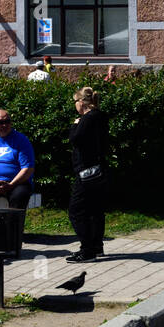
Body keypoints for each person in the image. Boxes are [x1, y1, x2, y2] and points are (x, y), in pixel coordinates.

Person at [66, 86, 109, 263]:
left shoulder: (86, 119)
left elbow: (75, 139)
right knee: (95, 209)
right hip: (100, 169)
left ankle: (87, 249)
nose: (75, 105)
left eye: (76, 101)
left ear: (82, 102)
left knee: (76, 211)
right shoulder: (101, 117)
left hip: (86, 170)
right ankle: (97, 245)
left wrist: (74, 125)